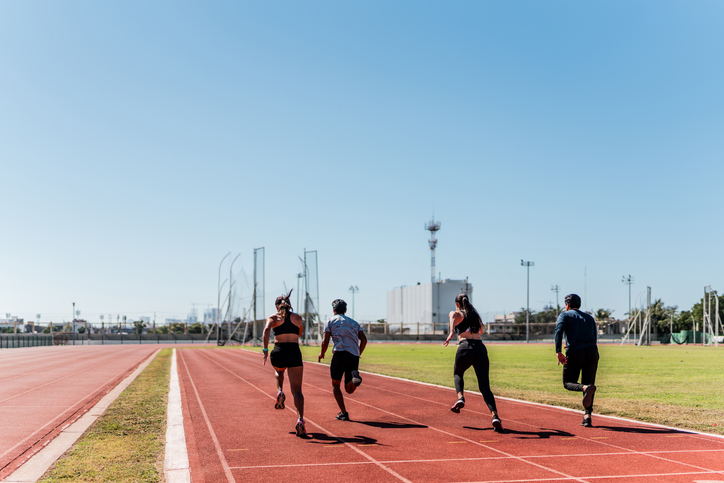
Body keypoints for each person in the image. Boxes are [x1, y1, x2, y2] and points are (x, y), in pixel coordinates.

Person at [443, 293, 502, 432]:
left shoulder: (457, 314)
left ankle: (461, 397)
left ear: (457, 304)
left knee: (458, 373)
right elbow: (481, 330)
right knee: (485, 387)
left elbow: (452, 315)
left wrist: (451, 332)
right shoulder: (475, 316)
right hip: (480, 349)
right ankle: (495, 416)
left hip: (465, 348)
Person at [262, 289, 307, 437]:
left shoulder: (273, 318)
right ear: (290, 305)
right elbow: (299, 333)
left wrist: (265, 349)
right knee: (297, 391)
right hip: (294, 352)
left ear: (277, 306)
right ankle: (300, 419)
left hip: (279, 351)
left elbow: (266, 330)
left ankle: (280, 390)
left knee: (278, 371)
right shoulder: (298, 318)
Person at [318, 299, 367, 421]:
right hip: (353, 355)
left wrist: (322, 353)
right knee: (349, 389)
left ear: (333, 310)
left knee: (335, 384)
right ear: (345, 310)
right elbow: (364, 340)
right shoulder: (354, 323)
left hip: (339, 354)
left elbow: (325, 341)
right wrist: (358, 353)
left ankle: (344, 413)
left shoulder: (329, 321)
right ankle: (354, 378)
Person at [554, 293, 599, 427]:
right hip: (592, 351)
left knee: (568, 382)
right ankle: (587, 416)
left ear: (567, 305)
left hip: (575, 352)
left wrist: (558, 351)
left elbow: (558, 331)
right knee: (589, 382)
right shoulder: (589, 317)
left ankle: (584, 388)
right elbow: (594, 337)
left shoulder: (565, 315)